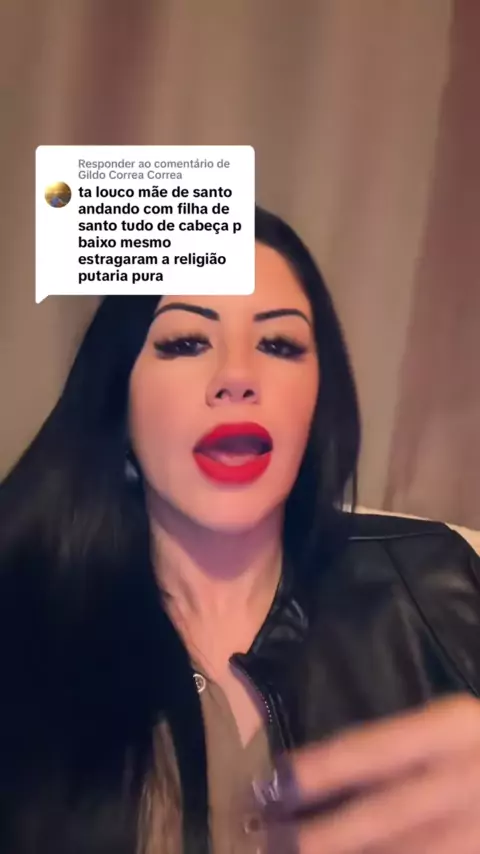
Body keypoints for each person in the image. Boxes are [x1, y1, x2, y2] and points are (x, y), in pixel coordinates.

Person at [1, 207, 480, 854]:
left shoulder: (439, 596)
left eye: (279, 345)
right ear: (119, 399)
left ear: (319, 397)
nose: (237, 378)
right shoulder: (21, 615)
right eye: (186, 342)